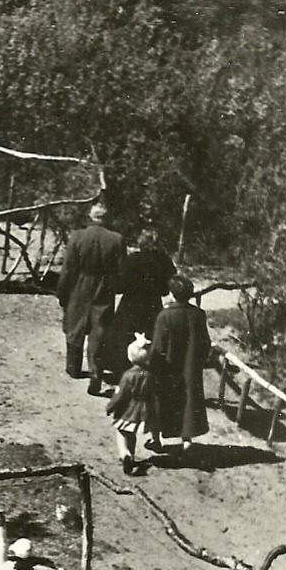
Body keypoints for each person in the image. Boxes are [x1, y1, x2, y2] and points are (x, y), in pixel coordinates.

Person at [56, 201, 126, 395]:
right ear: (107, 218)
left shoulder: (77, 237)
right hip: (104, 288)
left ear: (91, 216)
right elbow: (121, 272)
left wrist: (62, 293)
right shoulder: (117, 239)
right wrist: (114, 287)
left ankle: (73, 367)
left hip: (79, 287)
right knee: (99, 332)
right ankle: (96, 373)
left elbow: (68, 269)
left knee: (74, 327)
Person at [150, 274, 212, 453]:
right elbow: (205, 343)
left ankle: (156, 439)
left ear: (172, 293)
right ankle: (187, 441)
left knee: (161, 400)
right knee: (188, 401)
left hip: (167, 367)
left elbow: (159, 346)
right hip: (191, 366)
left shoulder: (165, 315)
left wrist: (152, 362)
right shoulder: (198, 314)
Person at [106, 334, 159, 474]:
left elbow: (120, 394)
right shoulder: (150, 375)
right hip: (143, 409)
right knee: (132, 434)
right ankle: (132, 454)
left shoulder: (128, 375)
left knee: (121, 432)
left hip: (127, 409)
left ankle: (125, 454)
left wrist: (110, 406)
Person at [116, 228, 176, 349]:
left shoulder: (131, 259)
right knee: (151, 337)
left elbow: (119, 286)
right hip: (153, 304)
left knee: (125, 337)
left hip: (130, 304)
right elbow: (167, 288)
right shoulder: (164, 260)